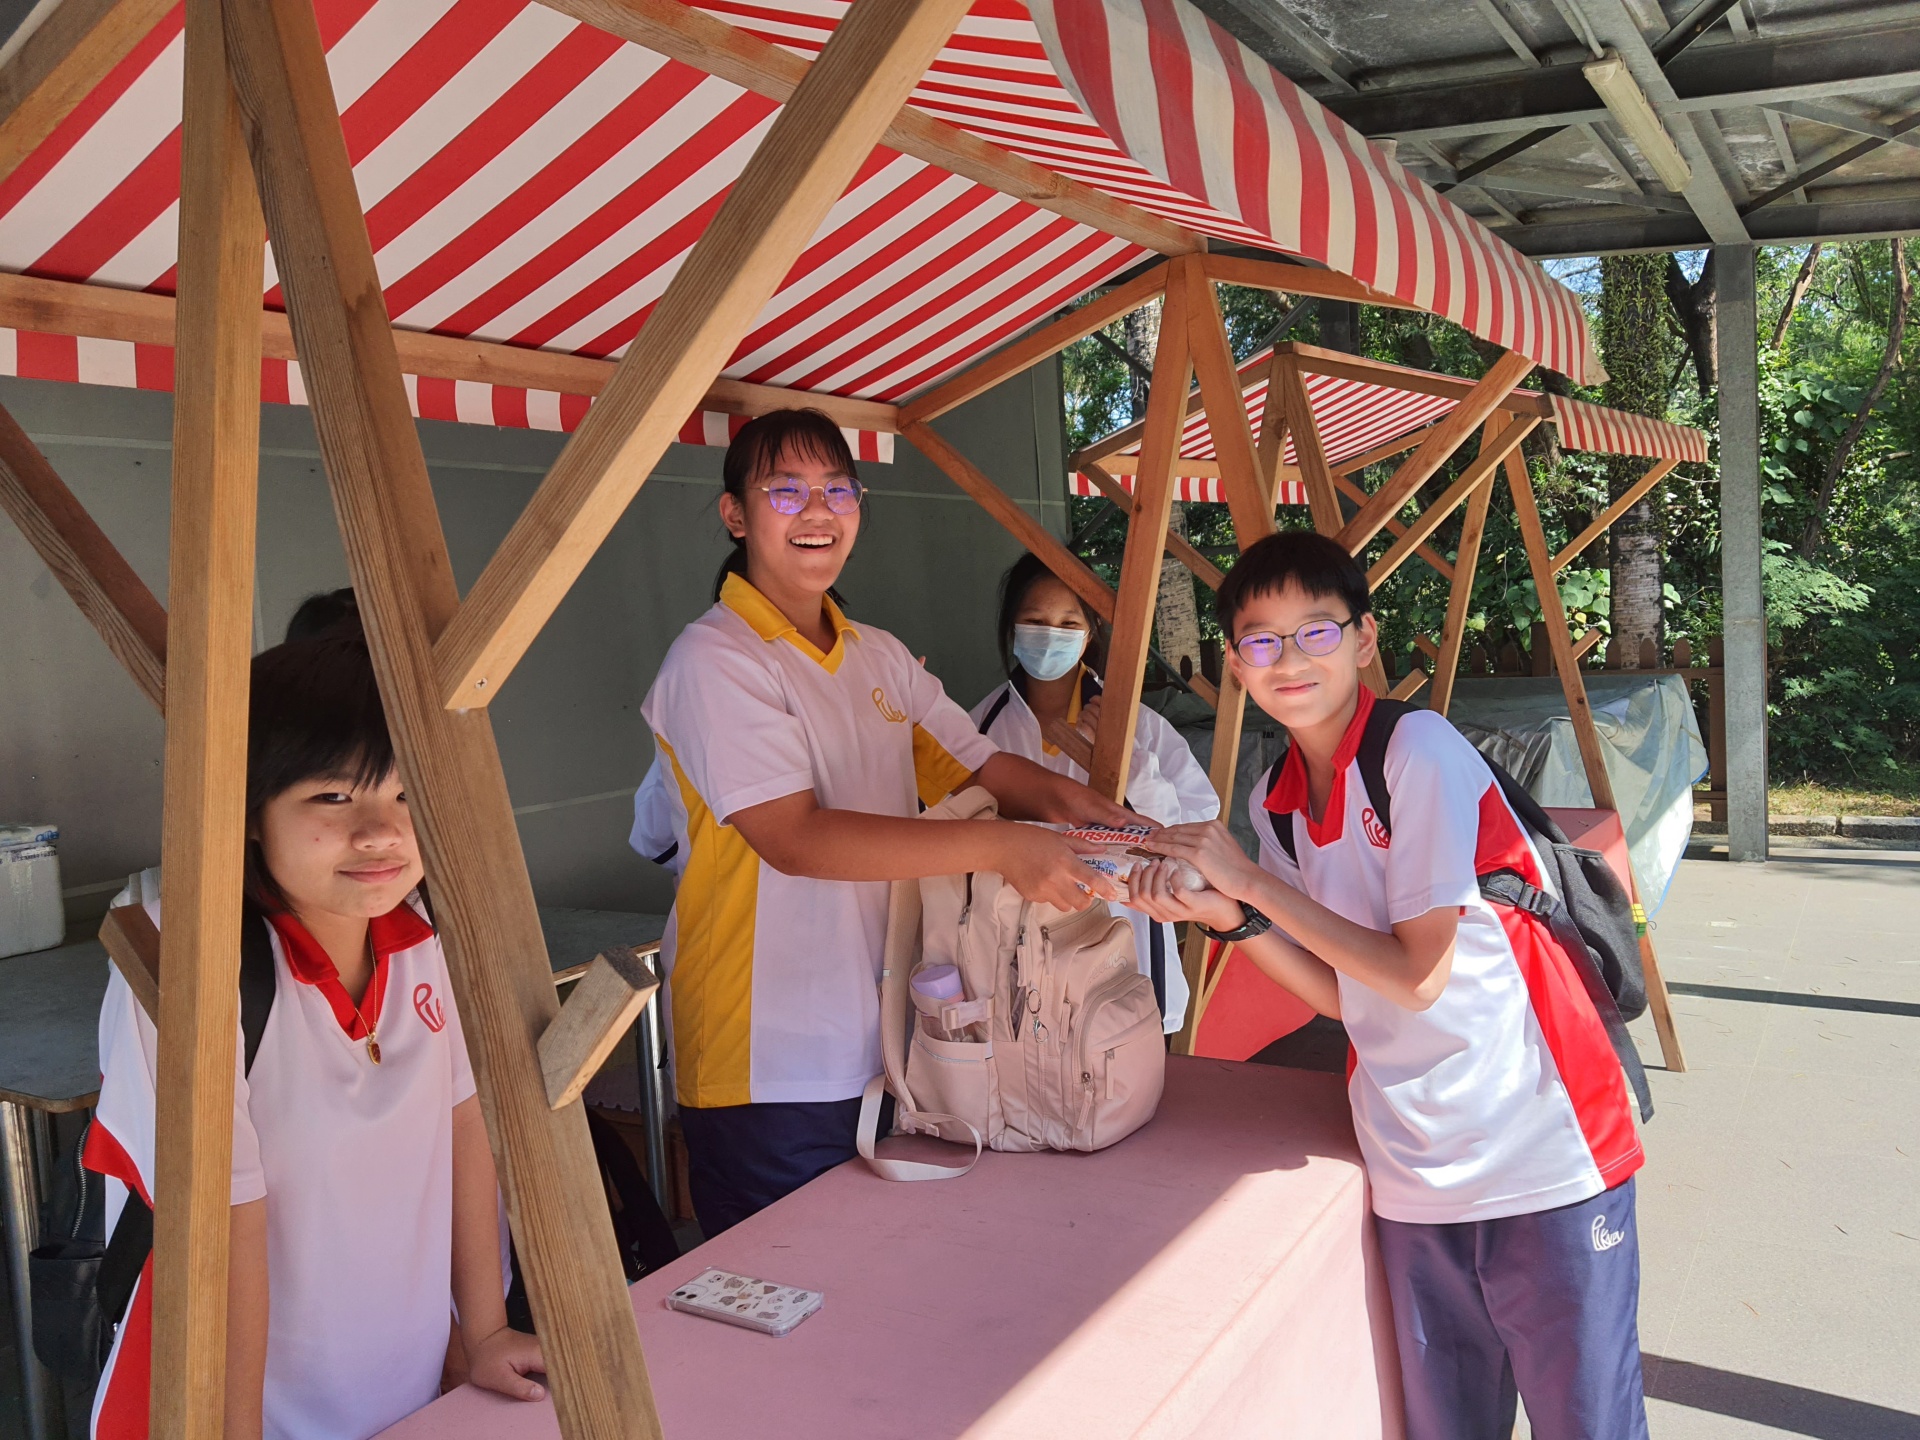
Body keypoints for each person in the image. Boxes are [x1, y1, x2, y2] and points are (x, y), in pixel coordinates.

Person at [1127, 531, 1648, 1440]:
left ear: (1364, 639)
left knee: (1588, 1426)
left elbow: (1418, 974)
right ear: (1235, 665)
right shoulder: (1274, 802)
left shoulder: (1418, 751)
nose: (1290, 660)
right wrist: (1228, 917)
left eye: (1316, 632)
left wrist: (1251, 885)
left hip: (1544, 1147)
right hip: (1411, 1167)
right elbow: (1345, 996)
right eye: (1261, 640)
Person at [641, 408, 1133, 1237]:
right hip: (765, 1062)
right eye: (786, 491)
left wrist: (1114, 823)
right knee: (790, 1292)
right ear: (735, 514)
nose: (818, 511)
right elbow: (794, 838)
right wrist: (1004, 845)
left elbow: (985, 768)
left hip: (890, 1045)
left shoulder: (877, 654)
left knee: (884, 1283)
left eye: (839, 490)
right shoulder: (715, 658)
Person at [86, 633, 545, 1440]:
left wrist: (484, 1332)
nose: (381, 832)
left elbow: (464, 1125)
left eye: (406, 794)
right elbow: (223, 1222)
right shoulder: (190, 957)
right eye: (333, 797)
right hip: (236, 1409)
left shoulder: (424, 934)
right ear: (248, 809)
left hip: (398, 1395)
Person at [971, 552, 1218, 1033]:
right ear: (1011, 628)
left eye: (1068, 623)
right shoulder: (977, 727)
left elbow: (1196, 834)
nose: (1050, 635)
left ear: (1090, 634)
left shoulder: (1140, 725)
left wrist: (1132, 766)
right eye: (1035, 621)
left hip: (1124, 949)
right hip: (1012, 959)